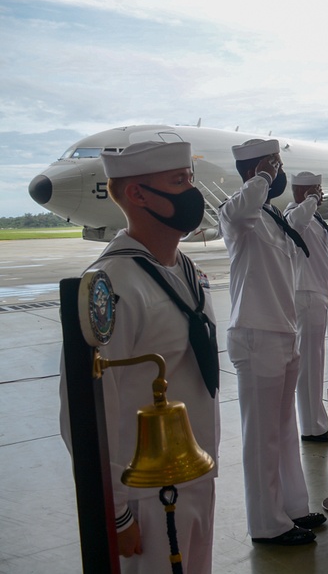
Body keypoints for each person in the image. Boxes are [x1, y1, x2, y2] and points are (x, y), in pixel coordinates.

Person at [59, 141, 221, 572]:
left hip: (196, 471)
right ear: (138, 195)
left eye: (189, 179)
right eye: (178, 182)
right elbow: (86, 409)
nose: (192, 191)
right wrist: (116, 511)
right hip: (148, 494)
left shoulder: (183, 268)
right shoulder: (112, 284)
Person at [220, 138, 325, 547]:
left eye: (278, 165)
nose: (279, 172)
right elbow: (240, 207)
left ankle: (293, 508)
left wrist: (311, 198)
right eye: (272, 165)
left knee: (282, 429)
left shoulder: (270, 217)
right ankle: (266, 523)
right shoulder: (238, 214)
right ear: (253, 170)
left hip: (284, 331)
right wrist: (262, 175)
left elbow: (298, 221)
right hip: (256, 334)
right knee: (261, 435)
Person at [283, 171, 328, 443]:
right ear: (307, 192)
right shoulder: (294, 214)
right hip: (306, 294)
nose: (322, 193)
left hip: (317, 293)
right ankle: (312, 426)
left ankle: (316, 419)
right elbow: (295, 221)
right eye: (317, 189)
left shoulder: (313, 217)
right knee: (310, 363)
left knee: (315, 361)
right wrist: (311, 200)